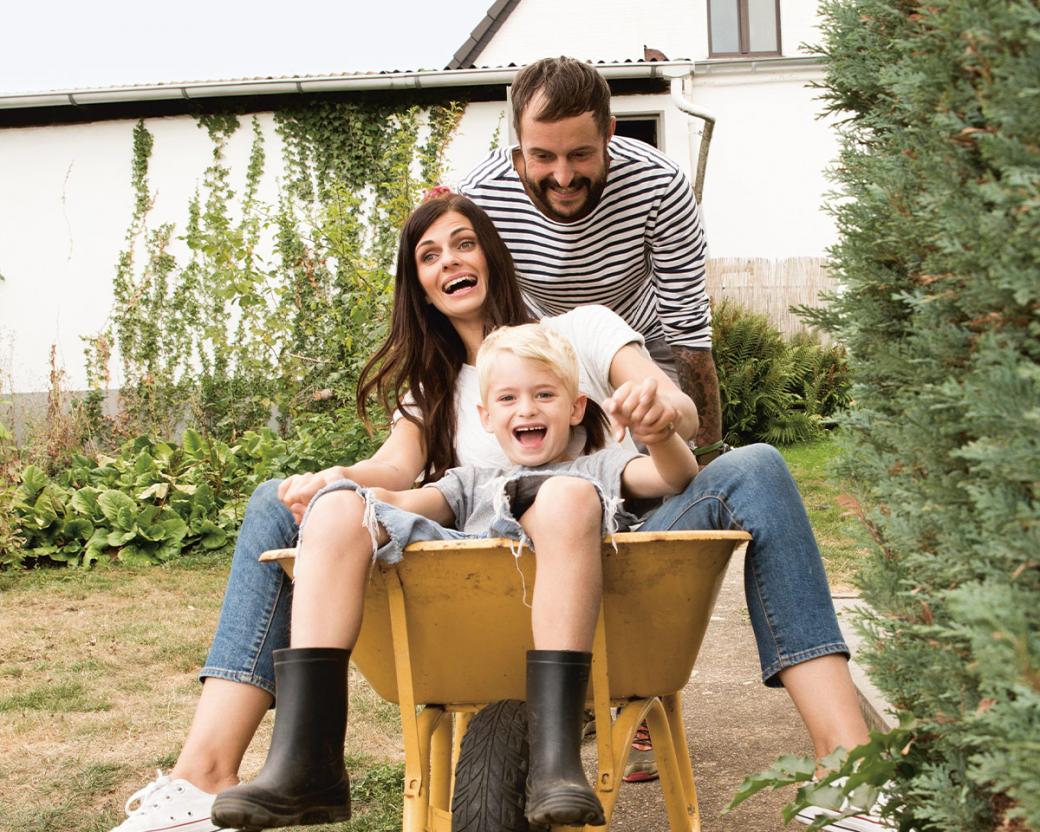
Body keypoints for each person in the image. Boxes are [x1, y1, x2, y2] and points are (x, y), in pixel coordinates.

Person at [110, 192, 871, 832]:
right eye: (429, 256)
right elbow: (393, 471)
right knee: (277, 501)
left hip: (614, 560)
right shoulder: (440, 388)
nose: (449, 263)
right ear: (419, 285)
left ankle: (852, 773)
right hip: (477, 580)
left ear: (493, 254)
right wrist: (332, 481)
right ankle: (205, 775)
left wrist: (659, 406)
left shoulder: (579, 334)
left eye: (463, 244)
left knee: (760, 466)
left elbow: (669, 417)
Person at [209, 323, 697, 829]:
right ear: (485, 418)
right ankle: (307, 763)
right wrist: (339, 485)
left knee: (567, 496)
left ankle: (557, 761)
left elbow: (672, 477)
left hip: (577, 608)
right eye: (508, 398)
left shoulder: (599, 470)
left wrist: (659, 437)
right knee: (336, 510)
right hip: (462, 634)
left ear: (576, 408)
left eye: (544, 395)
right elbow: (400, 502)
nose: (526, 409)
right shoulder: (470, 483)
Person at [460, 56, 725, 462]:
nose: (563, 177)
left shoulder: (660, 186)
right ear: (518, 140)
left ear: (609, 134)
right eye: (543, 156)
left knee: (663, 454)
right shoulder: (481, 196)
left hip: (643, 343)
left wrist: (706, 451)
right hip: (541, 347)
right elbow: (476, 308)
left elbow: (687, 327)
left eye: (580, 154)